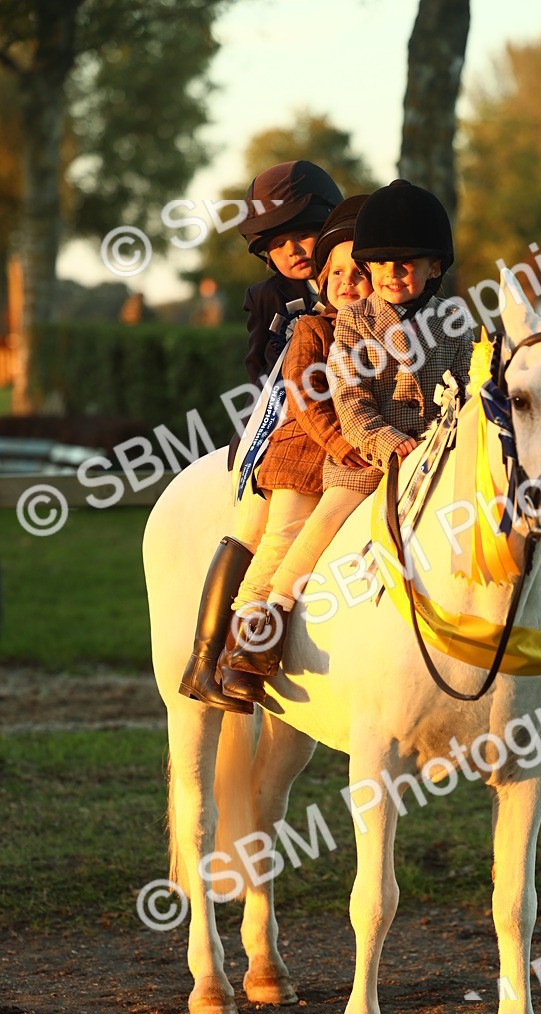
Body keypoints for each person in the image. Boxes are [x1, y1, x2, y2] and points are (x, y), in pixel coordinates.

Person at [225, 178, 475, 680]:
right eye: (382, 263)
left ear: (435, 267)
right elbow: (350, 399)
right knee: (313, 529)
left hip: (433, 458)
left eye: (409, 261)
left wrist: (443, 440)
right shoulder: (355, 321)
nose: (394, 273)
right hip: (364, 461)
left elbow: (467, 393)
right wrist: (386, 442)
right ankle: (265, 620)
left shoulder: (456, 323)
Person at [180, 160, 342, 713]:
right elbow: (262, 367)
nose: (294, 249)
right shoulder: (268, 298)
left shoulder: (356, 281)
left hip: (356, 427)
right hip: (280, 427)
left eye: (304, 234)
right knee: (254, 529)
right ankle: (206, 660)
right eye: (278, 243)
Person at [216, 194, 373, 702]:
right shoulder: (313, 327)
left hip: (365, 455)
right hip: (304, 453)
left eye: (358, 275)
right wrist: (335, 440)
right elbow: (302, 395)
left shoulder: (387, 331)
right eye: (336, 277)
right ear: (322, 284)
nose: (347, 286)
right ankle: (242, 650)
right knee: (279, 540)